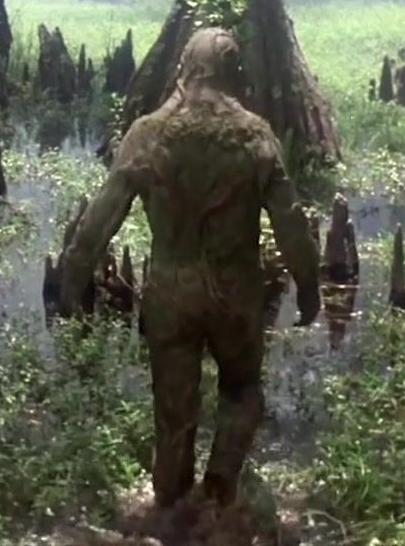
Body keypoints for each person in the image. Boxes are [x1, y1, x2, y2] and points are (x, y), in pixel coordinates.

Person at [58, 27, 321, 510]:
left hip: (171, 294)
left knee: (173, 409)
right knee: (242, 389)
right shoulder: (254, 136)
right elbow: (290, 221)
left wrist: (72, 279)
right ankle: (220, 488)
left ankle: (171, 505)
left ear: (184, 68)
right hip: (234, 295)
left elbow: (100, 219)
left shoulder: (147, 134)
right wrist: (308, 285)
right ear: (232, 72)